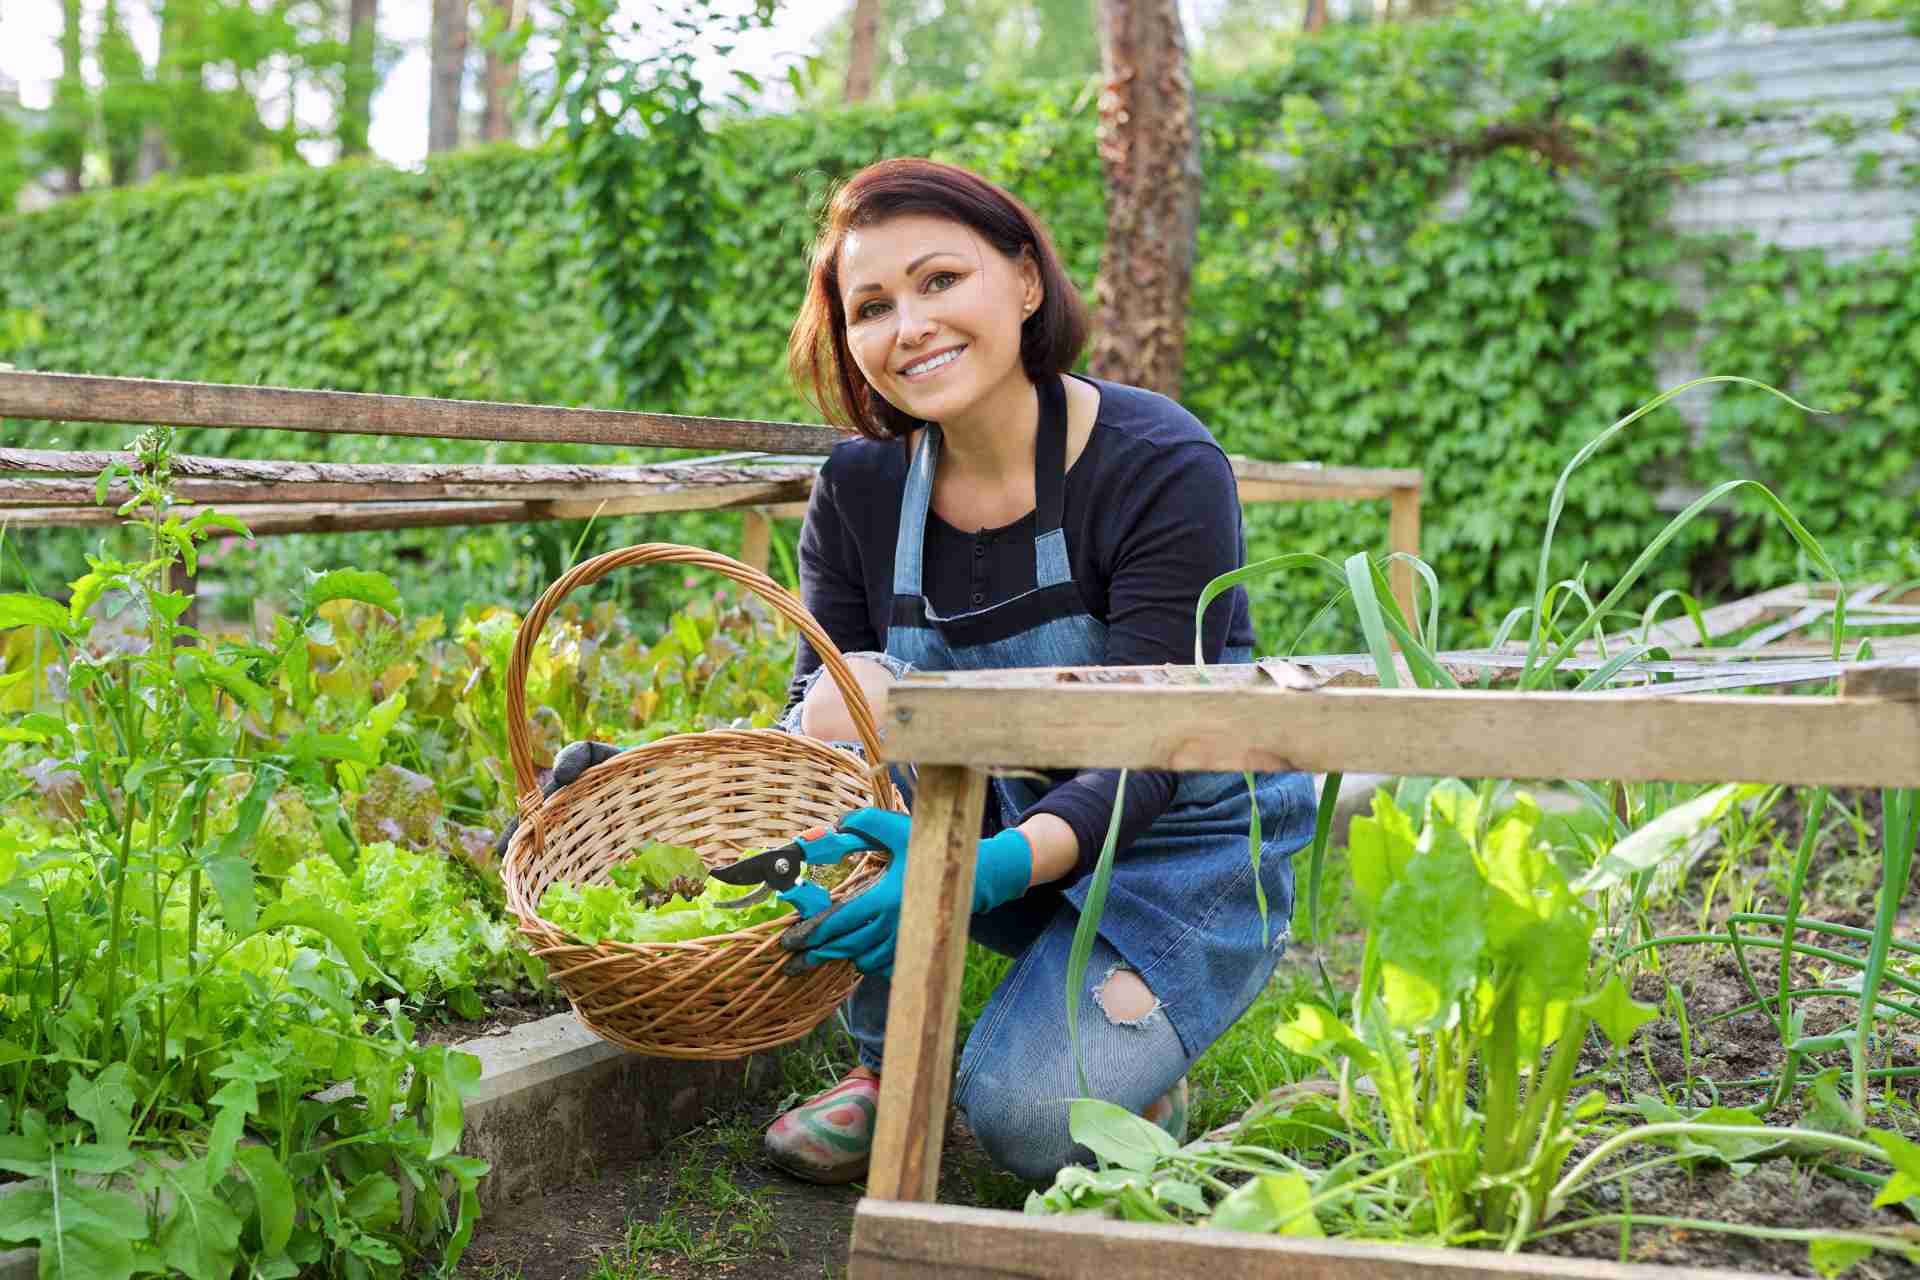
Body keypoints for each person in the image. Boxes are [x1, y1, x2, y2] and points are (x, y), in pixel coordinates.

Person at [758, 157, 1318, 1186]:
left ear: (1024, 281)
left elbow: (1155, 752)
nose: (908, 325)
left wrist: (983, 870)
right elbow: (814, 708)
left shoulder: (1157, 463)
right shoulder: (861, 486)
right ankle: (888, 1065)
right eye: (870, 305)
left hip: (1181, 839)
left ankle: (1137, 1053)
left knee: (1026, 1120)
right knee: (847, 713)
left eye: (939, 281)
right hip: (993, 806)